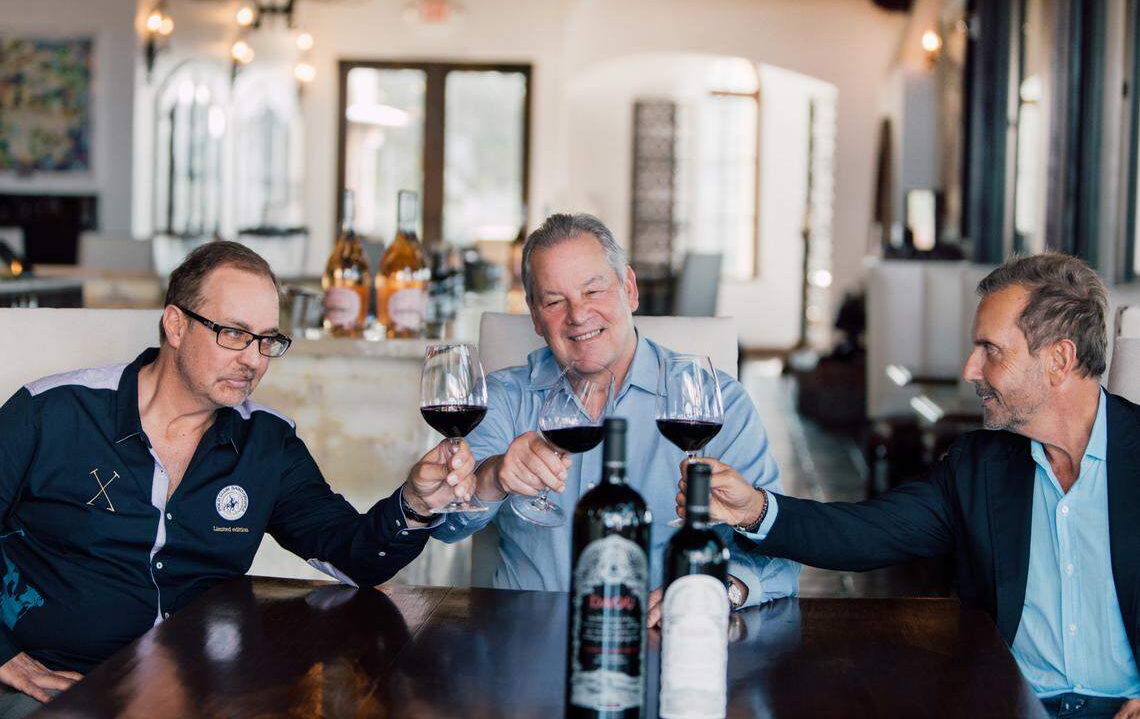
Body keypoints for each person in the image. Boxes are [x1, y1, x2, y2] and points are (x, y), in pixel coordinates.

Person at [0, 242, 476, 715]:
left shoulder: (267, 443)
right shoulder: (52, 413)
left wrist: (415, 502)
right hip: (61, 686)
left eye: (267, 339)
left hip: (206, 689)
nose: (254, 360)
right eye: (234, 333)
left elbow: (354, 557)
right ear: (176, 324)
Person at [667, 253, 1140, 719]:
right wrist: (753, 509)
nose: (970, 370)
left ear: (1059, 359)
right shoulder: (979, 466)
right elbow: (865, 532)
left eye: (990, 350)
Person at [436, 214, 799, 607]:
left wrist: (711, 593)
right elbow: (447, 525)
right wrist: (493, 476)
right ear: (536, 317)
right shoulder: (503, 397)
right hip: (528, 638)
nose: (578, 315)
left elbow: (780, 555)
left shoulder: (716, 402)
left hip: (660, 641)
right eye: (555, 301)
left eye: (593, 291)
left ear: (629, 288)